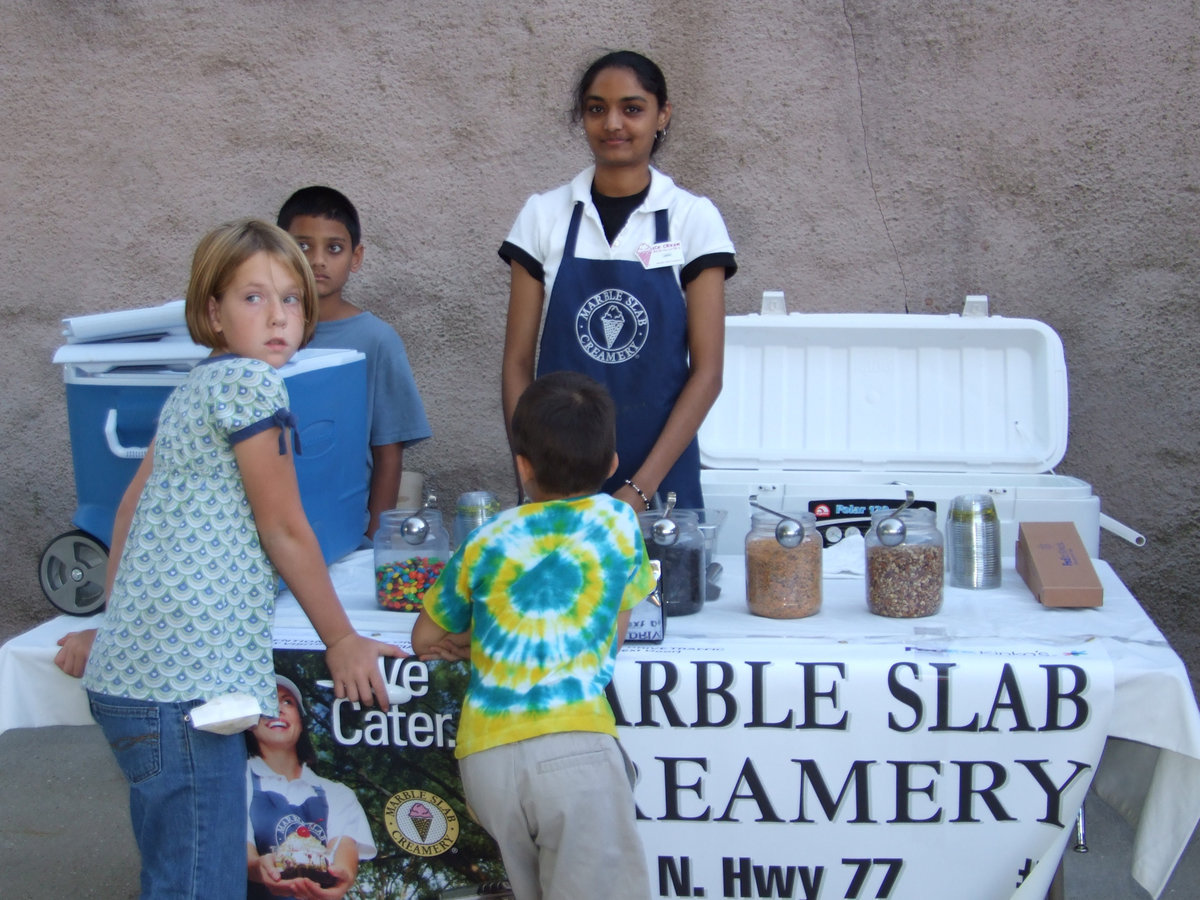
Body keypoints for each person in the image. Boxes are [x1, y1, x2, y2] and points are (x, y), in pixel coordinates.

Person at [55, 219, 401, 899]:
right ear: (212, 311)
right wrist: (342, 639)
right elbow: (285, 529)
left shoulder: (196, 388)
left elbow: (130, 509)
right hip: (186, 693)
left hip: (145, 686)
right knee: (199, 884)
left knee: (176, 873)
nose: (278, 316)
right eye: (252, 298)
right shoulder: (249, 386)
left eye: (292, 299)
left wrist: (113, 621)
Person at [412, 370, 657, 900]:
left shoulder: (485, 538)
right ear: (613, 465)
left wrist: (472, 639)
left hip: (486, 761)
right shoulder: (618, 522)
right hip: (575, 753)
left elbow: (425, 637)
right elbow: (619, 617)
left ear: (522, 468)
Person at [500, 50, 737, 512]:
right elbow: (516, 364)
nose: (613, 123)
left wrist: (640, 491)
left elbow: (707, 374)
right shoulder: (543, 215)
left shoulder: (692, 218)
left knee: (661, 583)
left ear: (661, 115)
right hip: (558, 482)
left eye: (632, 109)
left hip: (662, 475)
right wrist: (530, 472)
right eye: (596, 108)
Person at [277, 186, 431, 540]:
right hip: (267, 529)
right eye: (302, 246)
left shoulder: (376, 340)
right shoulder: (261, 334)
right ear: (279, 252)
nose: (317, 260)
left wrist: (374, 540)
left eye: (334, 248)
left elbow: (388, 452)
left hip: (344, 530)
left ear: (356, 257)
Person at [247, 675, 376, 899]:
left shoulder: (339, 794)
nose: (277, 709)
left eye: (287, 701)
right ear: (248, 723)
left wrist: (341, 877)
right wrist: (258, 866)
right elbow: (237, 849)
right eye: (264, 702)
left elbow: (343, 855)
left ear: (301, 721)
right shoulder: (233, 783)